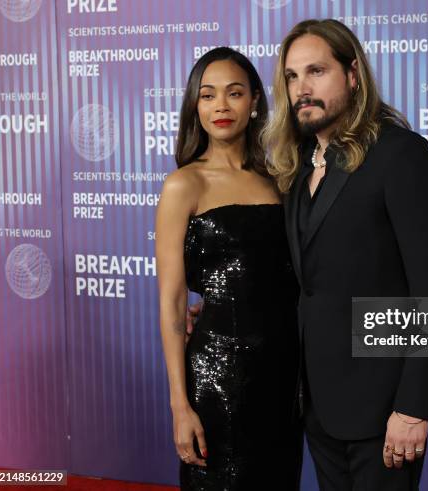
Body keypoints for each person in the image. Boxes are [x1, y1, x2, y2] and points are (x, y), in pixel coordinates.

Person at [260, 19, 428, 490]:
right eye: (291, 76)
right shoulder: (297, 165)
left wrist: (414, 405)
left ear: (353, 75)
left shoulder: (400, 155)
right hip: (318, 402)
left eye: (316, 71)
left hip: (384, 407)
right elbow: (307, 277)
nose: (301, 88)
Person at [155, 47, 301, 490]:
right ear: (194, 106)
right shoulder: (184, 184)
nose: (220, 106)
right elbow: (173, 302)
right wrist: (180, 406)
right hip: (217, 377)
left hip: (282, 376)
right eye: (207, 95)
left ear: (255, 101)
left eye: (234, 93)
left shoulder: (281, 180)